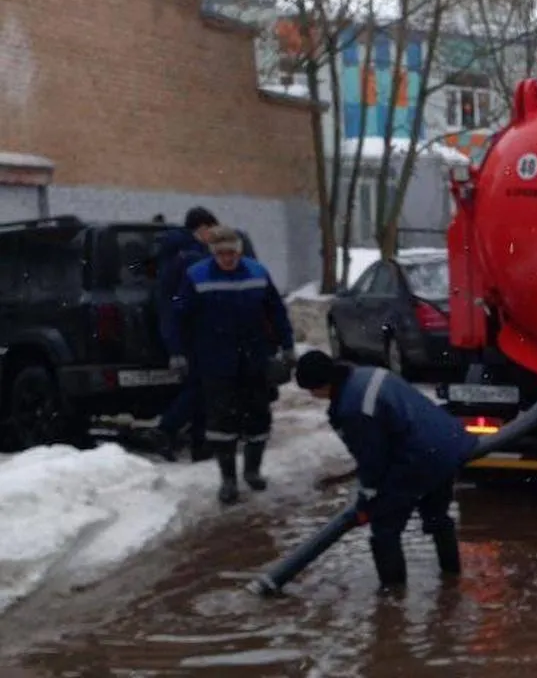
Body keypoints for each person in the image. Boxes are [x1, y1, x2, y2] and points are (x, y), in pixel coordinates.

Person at [294, 350, 477, 589]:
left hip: (419, 457)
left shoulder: (353, 408)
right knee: (437, 517)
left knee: (384, 530)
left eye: (311, 390)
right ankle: (453, 579)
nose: (312, 395)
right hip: (447, 444)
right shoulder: (367, 374)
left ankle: (392, 600)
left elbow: (373, 461)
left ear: (321, 385)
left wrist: (365, 501)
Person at [170, 225, 296, 504]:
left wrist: (287, 345)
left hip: (254, 358)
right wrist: (177, 352)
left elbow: (276, 311)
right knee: (221, 420)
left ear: (239, 251)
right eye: (222, 253)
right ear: (213, 253)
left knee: (258, 416)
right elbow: (179, 316)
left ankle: (252, 470)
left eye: (232, 252)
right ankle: (228, 479)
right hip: (215, 360)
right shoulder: (196, 275)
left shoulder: (258, 273)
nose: (228, 258)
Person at [150, 207, 220, 462]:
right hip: (192, 333)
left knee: (202, 388)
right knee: (200, 387)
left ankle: (199, 443)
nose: (213, 234)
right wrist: (176, 346)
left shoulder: (183, 253)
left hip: (193, 332)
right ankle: (166, 430)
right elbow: (176, 304)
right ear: (201, 228)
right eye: (211, 229)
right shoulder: (189, 257)